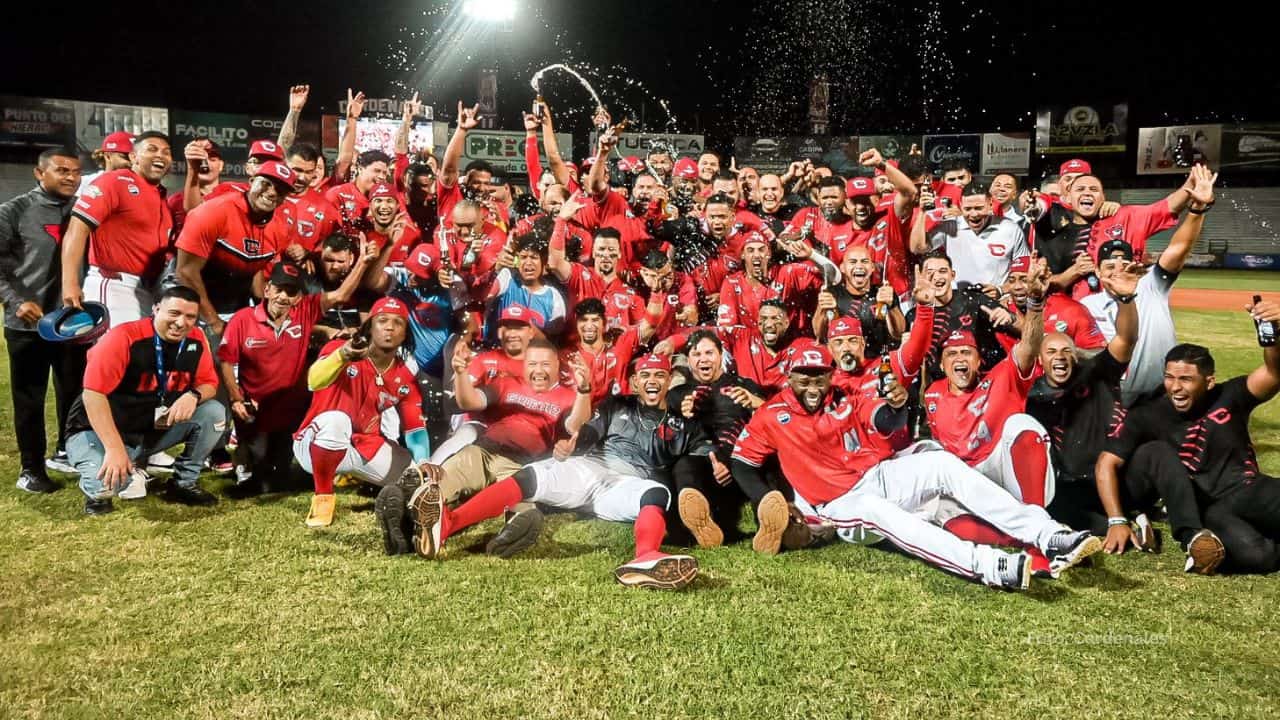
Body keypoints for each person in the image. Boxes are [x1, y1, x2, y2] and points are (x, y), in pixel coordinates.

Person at [731, 345, 1102, 589]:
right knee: (886, 516)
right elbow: (742, 461)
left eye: (820, 375)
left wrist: (895, 405)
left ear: (830, 374)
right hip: (840, 504)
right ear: (789, 377)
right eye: (803, 376)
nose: (812, 384)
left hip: (876, 474)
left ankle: (1048, 534)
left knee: (940, 462)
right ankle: (986, 566)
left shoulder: (844, 394)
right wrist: (766, 500)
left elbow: (884, 421)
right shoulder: (771, 414)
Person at [408, 353, 701, 590]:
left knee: (655, 494)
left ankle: (645, 558)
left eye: (659, 376)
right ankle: (448, 523)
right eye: (646, 376)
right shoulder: (616, 404)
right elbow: (588, 431)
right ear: (635, 382)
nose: (652, 381)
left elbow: (696, 454)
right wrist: (573, 445)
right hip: (591, 467)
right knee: (530, 476)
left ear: (669, 382)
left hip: (625, 484)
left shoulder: (682, 423)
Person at [1096, 322, 1280, 575]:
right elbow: (1106, 463)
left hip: (1250, 488)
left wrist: (1272, 335)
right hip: (1211, 507)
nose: (1175, 387)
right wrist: (1116, 519)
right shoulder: (1148, 414)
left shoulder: (1231, 395)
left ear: (1209, 381)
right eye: (1169, 377)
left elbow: (1274, 372)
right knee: (1259, 557)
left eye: (1186, 379)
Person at [218, 247, 375, 496]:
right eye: (278, 289)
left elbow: (341, 294)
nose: (283, 297)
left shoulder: (306, 311)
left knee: (279, 480)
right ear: (267, 289)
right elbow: (226, 361)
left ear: (299, 297)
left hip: (291, 411)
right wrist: (236, 399)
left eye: (291, 292)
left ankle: (272, 465)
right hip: (255, 411)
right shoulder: (242, 319)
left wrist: (363, 263)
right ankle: (245, 462)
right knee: (257, 483)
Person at [64, 286, 226, 515]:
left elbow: (209, 383)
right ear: (156, 308)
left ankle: (184, 483)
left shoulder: (197, 339)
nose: (181, 323)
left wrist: (194, 395)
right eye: (174, 313)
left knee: (214, 412)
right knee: (105, 486)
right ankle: (102, 481)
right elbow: (93, 395)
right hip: (97, 430)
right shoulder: (123, 337)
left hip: (148, 428)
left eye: (190, 317)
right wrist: (114, 448)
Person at [1027, 261, 1146, 543]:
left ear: (1076, 356)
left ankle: (1128, 516)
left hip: (1110, 476)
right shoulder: (1031, 395)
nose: (1060, 356)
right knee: (1051, 506)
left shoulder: (1094, 373)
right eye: (1052, 351)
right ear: (1041, 361)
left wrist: (1126, 299)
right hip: (1069, 484)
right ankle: (1128, 523)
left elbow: (1126, 340)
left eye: (1066, 350)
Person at [1082, 164, 1217, 405]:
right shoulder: (1087, 305)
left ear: (1134, 264)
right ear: (1097, 271)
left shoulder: (1152, 286)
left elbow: (1179, 248)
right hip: (1112, 401)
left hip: (1160, 398)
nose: (1117, 271)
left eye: (1123, 263)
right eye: (1109, 266)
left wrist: (1197, 210)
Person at [293, 296, 433, 528]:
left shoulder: (404, 377)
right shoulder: (341, 349)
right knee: (336, 421)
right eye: (382, 320)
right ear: (369, 326)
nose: (389, 326)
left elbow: (415, 427)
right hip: (315, 443)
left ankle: (395, 498)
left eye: (398, 322)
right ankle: (323, 497)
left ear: (406, 334)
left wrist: (424, 461)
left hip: (363, 446)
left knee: (416, 477)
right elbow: (313, 381)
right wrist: (342, 357)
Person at [0, 147, 87, 490]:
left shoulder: (84, 211)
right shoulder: (14, 210)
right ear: (39, 174)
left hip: (72, 323)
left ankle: (67, 454)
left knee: (74, 393)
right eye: (62, 170)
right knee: (30, 400)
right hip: (27, 326)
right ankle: (31, 470)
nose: (71, 177)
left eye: (76, 172)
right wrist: (14, 301)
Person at [174, 161, 300, 340]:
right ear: (251, 181)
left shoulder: (280, 229)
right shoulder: (213, 212)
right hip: (187, 295)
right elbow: (186, 272)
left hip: (233, 300)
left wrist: (264, 314)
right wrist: (214, 322)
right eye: (266, 183)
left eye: (280, 189)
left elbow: (255, 268)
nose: (272, 192)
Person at [668, 330, 768, 548]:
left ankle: (772, 521)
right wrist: (687, 405)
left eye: (709, 353)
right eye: (696, 354)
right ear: (689, 360)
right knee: (683, 465)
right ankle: (700, 524)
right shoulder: (681, 393)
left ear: (721, 355)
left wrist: (755, 402)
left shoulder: (743, 384)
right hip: (704, 465)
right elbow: (683, 403)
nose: (703, 358)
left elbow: (775, 412)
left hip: (740, 461)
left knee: (765, 461)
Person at [63, 131, 174, 325]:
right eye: (152, 149)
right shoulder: (114, 181)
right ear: (133, 157)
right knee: (114, 352)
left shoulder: (160, 194)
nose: (160, 155)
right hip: (114, 285)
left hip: (149, 288)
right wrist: (70, 284)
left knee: (140, 353)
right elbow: (76, 229)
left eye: (166, 152)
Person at [913, 181, 1030, 289]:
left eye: (979, 208)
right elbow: (917, 248)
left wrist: (1001, 290)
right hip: (959, 302)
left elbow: (1023, 270)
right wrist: (922, 212)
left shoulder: (1010, 229)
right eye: (968, 209)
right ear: (960, 205)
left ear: (990, 204)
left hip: (996, 303)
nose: (973, 214)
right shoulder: (950, 227)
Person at [813, 244, 904, 356]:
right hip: (843, 363)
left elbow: (898, 333)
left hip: (877, 362)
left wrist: (891, 306)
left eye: (864, 261)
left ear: (872, 267)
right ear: (843, 268)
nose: (859, 266)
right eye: (853, 262)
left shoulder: (884, 292)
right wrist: (823, 310)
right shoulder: (832, 294)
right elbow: (819, 334)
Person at [76, 131, 133, 196]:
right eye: (126, 157)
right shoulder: (84, 183)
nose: (132, 162)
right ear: (108, 156)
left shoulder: (140, 184)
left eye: (135, 157)